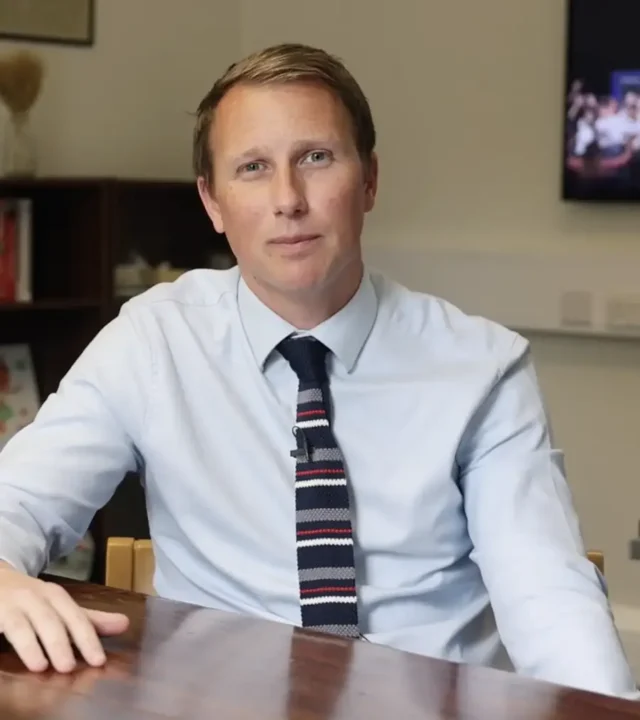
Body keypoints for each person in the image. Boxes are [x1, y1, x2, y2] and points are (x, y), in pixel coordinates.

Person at [0, 42, 637, 699]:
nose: (288, 199)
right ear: (213, 203)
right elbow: (14, 503)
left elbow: (548, 598)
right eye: (252, 167)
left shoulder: (483, 369)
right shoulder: (153, 340)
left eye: (316, 157)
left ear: (368, 181)